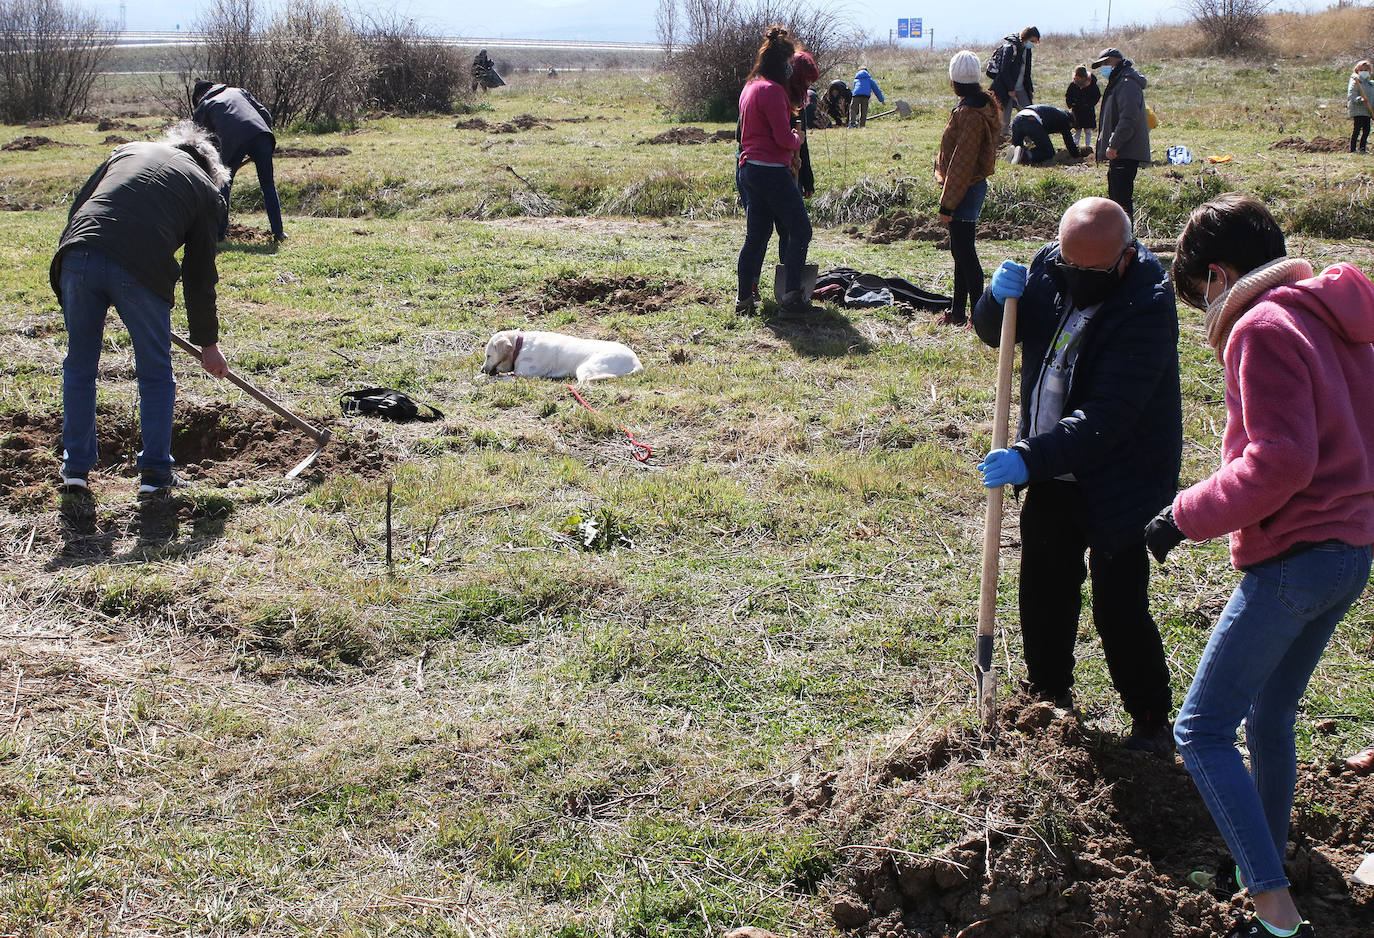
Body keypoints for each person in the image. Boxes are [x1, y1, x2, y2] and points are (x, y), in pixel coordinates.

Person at [1146, 193, 1374, 938]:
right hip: (1351, 552)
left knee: (1202, 728)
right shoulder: (1334, 320)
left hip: (1296, 562)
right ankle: (1263, 857)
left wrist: (1182, 517)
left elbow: (1279, 461)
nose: (1202, 308)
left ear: (1218, 274)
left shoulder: (1263, 327)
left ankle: (1274, 913)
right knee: (1269, 715)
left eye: (1197, 292)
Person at [973, 196, 1181, 752]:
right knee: (1043, 589)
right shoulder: (1051, 268)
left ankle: (1150, 722)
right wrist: (994, 301)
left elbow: (1109, 417)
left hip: (1121, 480)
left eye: (1093, 271)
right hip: (1049, 474)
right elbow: (998, 334)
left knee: (1119, 604)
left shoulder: (1147, 304)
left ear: (1126, 255)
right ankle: (1048, 702)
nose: (1078, 278)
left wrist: (1030, 457)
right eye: (1071, 267)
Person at [51, 123, 232, 496]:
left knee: (79, 367)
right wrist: (208, 344)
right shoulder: (205, 189)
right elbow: (200, 277)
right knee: (154, 373)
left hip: (77, 255)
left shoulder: (127, 150)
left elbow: (79, 209)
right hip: (139, 270)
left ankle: (75, 471)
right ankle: (155, 474)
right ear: (208, 168)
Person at [735, 26, 811, 318]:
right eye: (791, 63)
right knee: (800, 231)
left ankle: (744, 300)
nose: (793, 68)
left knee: (756, 236)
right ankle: (792, 299)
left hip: (749, 170)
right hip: (772, 173)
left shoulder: (750, 87)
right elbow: (783, 138)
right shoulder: (773, 91)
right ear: (783, 63)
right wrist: (797, 140)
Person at [934, 51, 1001, 326]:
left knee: (965, 253)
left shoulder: (969, 113)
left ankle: (980, 314)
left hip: (964, 188)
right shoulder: (980, 105)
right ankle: (959, 312)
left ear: (954, 80)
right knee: (960, 252)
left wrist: (947, 203)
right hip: (968, 187)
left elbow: (962, 161)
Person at [191, 80, 284, 242]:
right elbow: (264, 114)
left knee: (224, 183)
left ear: (199, 96)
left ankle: (220, 233)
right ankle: (279, 232)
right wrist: (261, 140)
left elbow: (199, 140)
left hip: (233, 141)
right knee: (268, 185)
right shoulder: (238, 91)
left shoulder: (204, 104)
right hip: (262, 135)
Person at [1092, 47, 1150, 222]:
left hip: (1125, 150)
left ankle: (1125, 242)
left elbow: (1128, 118)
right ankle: (1121, 240)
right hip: (1121, 151)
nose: (1103, 69)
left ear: (1112, 61)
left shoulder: (1126, 83)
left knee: (1121, 201)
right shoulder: (1119, 82)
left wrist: (1114, 144)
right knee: (1117, 199)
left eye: (1104, 64)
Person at [987, 26, 1040, 134]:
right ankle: (1002, 142)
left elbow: (1026, 72)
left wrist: (1029, 89)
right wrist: (1010, 88)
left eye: (1035, 42)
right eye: (1032, 41)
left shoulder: (1027, 50)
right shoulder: (1010, 48)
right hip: (1005, 89)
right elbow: (1004, 70)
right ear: (1025, 38)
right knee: (1004, 118)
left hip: (1021, 87)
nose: (1033, 44)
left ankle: (1029, 138)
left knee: (1029, 113)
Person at [1008, 104, 1080, 165]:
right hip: (1031, 120)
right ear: (1071, 123)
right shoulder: (1065, 119)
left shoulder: (1056, 113)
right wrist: (1077, 156)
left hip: (1017, 118)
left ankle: (1014, 150)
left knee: (1018, 146)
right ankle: (1025, 155)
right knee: (1048, 152)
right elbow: (1068, 141)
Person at [1065, 65, 1101, 151]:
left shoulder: (1092, 84)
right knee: (1077, 130)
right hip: (1076, 111)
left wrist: (1089, 104)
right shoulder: (1073, 85)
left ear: (1085, 77)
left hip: (1088, 111)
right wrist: (1071, 105)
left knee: (1088, 130)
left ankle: (1087, 147)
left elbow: (1097, 96)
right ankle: (1075, 146)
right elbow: (1068, 96)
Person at [1346, 60, 1373, 154]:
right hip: (1357, 110)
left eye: (1366, 69)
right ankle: (1352, 149)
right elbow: (1351, 95)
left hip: (1367, 111)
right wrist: (1360, 99)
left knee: (1367, 130)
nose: (1364, 71)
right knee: (1357, 129)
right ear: (1357, 70)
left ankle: (1362, 149)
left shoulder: (1370, 84)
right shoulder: (1355, 81)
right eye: (1362, 69)